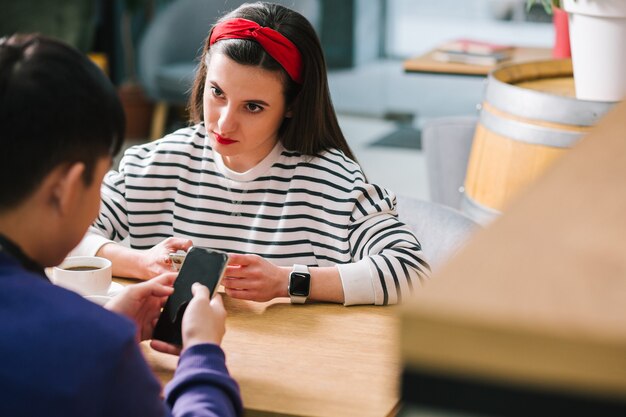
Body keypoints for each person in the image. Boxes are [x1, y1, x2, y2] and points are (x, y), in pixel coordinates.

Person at [74, 2, 430, 306]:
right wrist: (141, 262)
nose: (225, 124)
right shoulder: (156, 163)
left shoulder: (331, 181)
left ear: (291, 106)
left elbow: (410, 271)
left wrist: (288, 281)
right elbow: (63, 231)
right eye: (217, 93)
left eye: (253, 107)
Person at [0, 34, 242, 416]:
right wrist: (202, 354)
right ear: (64, 189)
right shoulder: (99, 351)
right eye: (99, 180)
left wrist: (99, 329)